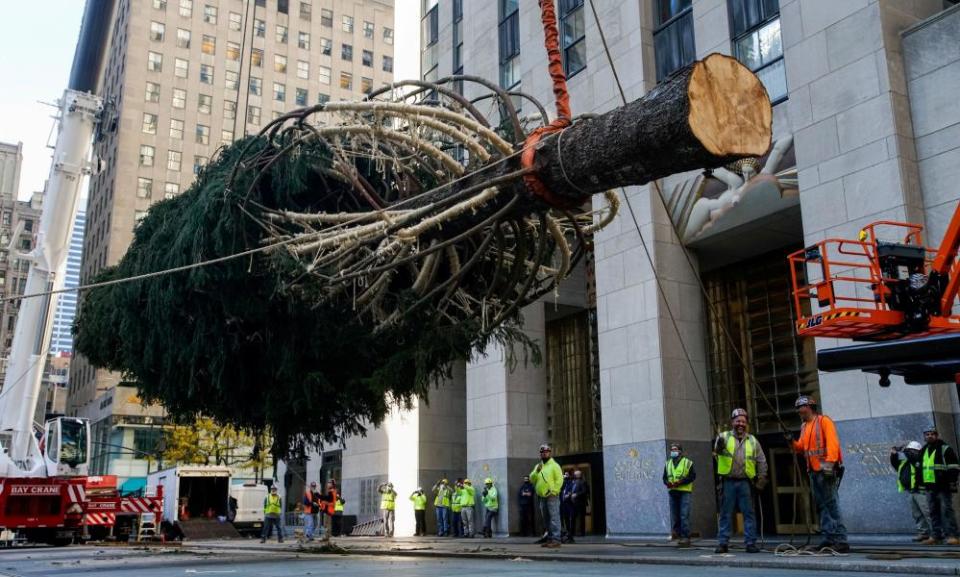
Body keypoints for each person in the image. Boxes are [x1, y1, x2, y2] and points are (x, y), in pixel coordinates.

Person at [789, 396, 848, 552]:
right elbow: (802, 447)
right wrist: (792, 443)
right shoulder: (804, 426)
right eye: (798, 410)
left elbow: (833, 443)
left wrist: (829, 465)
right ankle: (829, 538)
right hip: (813, 471)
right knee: (822, 506)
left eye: (801, 409)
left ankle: (841, 539)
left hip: (824, 470)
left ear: (809, 407)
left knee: (832, 505)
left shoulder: (824, 421)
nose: (799, 412)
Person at [714, 408, 767, 554]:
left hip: (746, 483)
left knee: (749, 513)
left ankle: (750, 543)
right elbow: (716, 453)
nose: (740, 424)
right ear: (732, 422)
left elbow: (761, 460)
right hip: (728, 482)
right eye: (738, 421)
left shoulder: (753, 440)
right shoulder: (723, 436)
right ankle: (723, 543)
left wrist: (761, 479)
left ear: (747, 423)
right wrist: (719, 446)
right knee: (725, 513)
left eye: (743, 421)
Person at [920, 426, 960, 545]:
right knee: (933, 512)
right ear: (924, 436)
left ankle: (953, 536)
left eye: (932, 434)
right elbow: (920, 469)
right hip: (929, 487)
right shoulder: (923, 450)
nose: (929, 436)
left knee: (946, 511)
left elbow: (954, 467)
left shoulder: (945, 449)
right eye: (927, 434)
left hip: (943, 486)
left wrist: (952, 483)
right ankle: (936, 536)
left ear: (937, 436)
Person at [891, 441, 931, 542]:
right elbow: (895, 463)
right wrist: (894, 454)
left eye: (912, 450)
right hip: (911, 490)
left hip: (921, 490)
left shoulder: (919, 459)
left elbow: (913, 458)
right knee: (917, 514)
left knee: (928, 512)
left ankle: (937, 534)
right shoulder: (905, 462)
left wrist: (905, 450)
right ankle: (923, 533)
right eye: (909, 451)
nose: (909, 452)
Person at [531, 443, 564, 548]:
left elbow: (559, 480)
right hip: (541, 496)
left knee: (554, 518)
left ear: (550, 453)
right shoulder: (538, 466)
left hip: (551, 496)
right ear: (540, 454)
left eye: (546, 452)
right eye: (542, 452)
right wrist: (536, 472)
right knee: (546, 519)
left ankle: (556, 539)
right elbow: (532, 479)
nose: (544, 454)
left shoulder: (555, 466)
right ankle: (550, 539)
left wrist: (554, 491)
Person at [663, 443, 695, 548]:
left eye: (675, 449)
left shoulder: (687, 463)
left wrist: (680, 482)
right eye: (672, 450)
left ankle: (686, 537)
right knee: (675, 515)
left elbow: (692, 476)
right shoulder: (668, 463)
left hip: (684, 491)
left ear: (680, 451)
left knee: (684, 515)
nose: (673, 451)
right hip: (673, 492)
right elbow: (664, 477)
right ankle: (678, 535)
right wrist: (667, 483)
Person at [560, 471, 574, 542]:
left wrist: (569, 495)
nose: (565, 476)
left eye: (567, 474)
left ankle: (570, 536)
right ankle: (565, 535)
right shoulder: (563, 484)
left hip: (569, 504)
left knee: (569, 521)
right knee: (564, 520)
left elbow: (572, 491)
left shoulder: (570, 483)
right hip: (563, 505)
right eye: (564, 474)